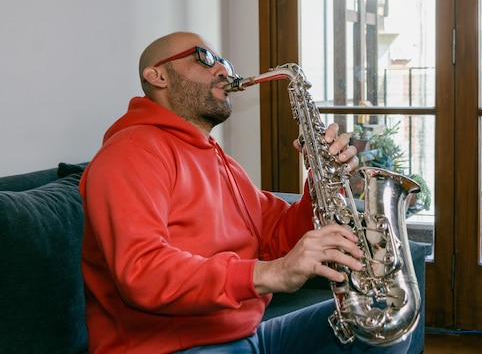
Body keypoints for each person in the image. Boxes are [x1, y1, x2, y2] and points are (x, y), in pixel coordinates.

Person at [80, 31, 412, 354]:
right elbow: (142, 273)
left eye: (223, 61)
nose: (224, 70)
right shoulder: (131, 152)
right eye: (205, 58)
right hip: (170, 347)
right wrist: (274, 273)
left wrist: (322, 178)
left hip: (247, 336)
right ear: (157, 76)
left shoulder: (220, 161)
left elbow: (277, 237)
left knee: (383, 322)